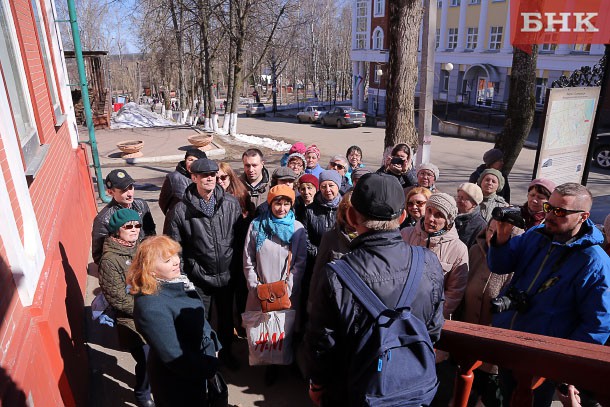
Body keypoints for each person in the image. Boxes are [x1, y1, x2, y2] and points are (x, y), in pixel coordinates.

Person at [304, 173, 445, 406]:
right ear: (402, 217)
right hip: (413, 391)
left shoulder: (337, 274)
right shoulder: (428, 261)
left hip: (353, 393)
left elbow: (322, 344)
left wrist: (317, 385)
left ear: (350, 216)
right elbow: (433, 330)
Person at [489, 182, 610, 405]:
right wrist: (502, 238)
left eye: (560, 212)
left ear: (583, 217)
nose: (551, 216)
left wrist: (561, 366)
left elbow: (597, 325)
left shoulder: (594, 262)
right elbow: (500, 265)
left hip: (545, 360)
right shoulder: (537, 234)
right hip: (510, 342)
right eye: (549, 208)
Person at [167, 158, 242, 369]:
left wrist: (236, 269)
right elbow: (174, 249)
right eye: (204, 175)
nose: (209, 179)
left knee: (227, 320)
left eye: (212, 175)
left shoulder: (230, 203)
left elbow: (239, 238)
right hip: (199, 277)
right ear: (194, 178)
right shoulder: (181, 211)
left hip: (227, 274)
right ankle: (206, 357)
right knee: (201, 320)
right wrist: (183, 275)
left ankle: (227, 353)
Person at [128, 236, 221, 406]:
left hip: (196, 368)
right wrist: (210, 365)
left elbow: (199, 317)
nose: (176, 262)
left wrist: (213, 344)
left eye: (175, 255)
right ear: (151, 270)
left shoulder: (176, 282)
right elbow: (175, 357)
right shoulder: (151, 306)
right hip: (178, 385)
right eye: (167, 260)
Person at [243, 185, 307, 385]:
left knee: (285, 328)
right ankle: (270, 365)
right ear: (270, 203)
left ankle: (286, 363)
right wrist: (254, 285)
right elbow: (248, 258)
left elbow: (300, 262)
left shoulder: (297, 228)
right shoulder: (256, 225)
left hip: (287, 290)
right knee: (265, 329)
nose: (281, 208)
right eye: (277, 203)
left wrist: (289, 287)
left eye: (286, 203)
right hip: (260, 289)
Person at [462, 219, 523, 407]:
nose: (493, 236)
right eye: (490, 230)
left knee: (491, 398)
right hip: (466, 341)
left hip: (495, 349)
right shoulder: (474, 251)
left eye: (501, 232)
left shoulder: (519, 264)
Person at [98, 209, 153, 407]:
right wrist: (146, 308)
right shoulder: (110, 260)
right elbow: (117, 297)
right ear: (116, 231)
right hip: (131, 319)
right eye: (128, 226)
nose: (134, 229)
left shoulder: (141, 247)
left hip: (152, 310)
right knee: (146, 357)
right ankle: (142, 393)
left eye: (137, 225)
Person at [402, 192, 469, 320]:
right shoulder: (405, 235)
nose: (430, 218)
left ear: (448, 221)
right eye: (429, 211)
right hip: (400, 311)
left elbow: (454, 292)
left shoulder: (459, 249)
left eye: (438, 215)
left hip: (431, 319)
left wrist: (434, 318)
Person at [217, 161, 253, 336]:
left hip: (239, 248)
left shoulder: (240, 195)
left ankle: (242, 324)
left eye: (223, 177)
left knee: (241, 291)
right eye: (216, 178)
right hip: (222, 254)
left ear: (230, 177)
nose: (220, 181)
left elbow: (248, 221)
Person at [92, 169, 156, 264]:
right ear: (110, 192)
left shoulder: (142, 205)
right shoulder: (103, 219)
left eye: (131, 187)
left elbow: (151, 233)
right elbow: (99, 256)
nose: (130, 194)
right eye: (123, 190)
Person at [159, 149, 206, 233]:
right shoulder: (173, 178)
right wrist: (174, 217)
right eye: (190, 160)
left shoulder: (206, 178)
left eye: (196, 161)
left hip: (200, 226)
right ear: (185, 161)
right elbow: (163, 202)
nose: (192, 163)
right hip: (177, 226)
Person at [455, 182, 487, 249]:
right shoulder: (451, 216)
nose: (459, 200)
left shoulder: (480, 225)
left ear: (474, 204)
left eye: (464, 198)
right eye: (458, 197)